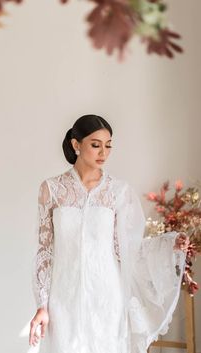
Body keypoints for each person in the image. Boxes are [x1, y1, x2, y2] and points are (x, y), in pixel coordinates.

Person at [29, 114, 190, 353]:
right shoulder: (51, 190)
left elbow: (128, 249)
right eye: (96, 145)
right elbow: (45, 252)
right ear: (76, 145)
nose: (103, 152)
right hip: (64, 299)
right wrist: (42, 305)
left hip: (106, 297)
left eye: (108, 145)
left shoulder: (118, 192)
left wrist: (167, 244)